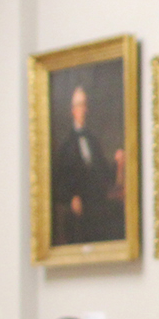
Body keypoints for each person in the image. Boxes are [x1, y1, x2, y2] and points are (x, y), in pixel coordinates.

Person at [52, 85, 124, 244]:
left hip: (97, 205)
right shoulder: (66, 146)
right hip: (79, 212)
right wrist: (71, 198)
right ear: (72, 110)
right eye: (79, 105)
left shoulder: (93, 141)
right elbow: (59, 183)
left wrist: (117, 163)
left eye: (84, 105)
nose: (82, 109)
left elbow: (105, 175)